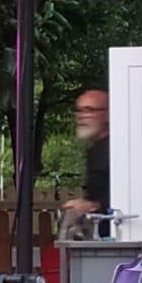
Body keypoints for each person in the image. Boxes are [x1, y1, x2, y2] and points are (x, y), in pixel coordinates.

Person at [61, 89, 110, 237]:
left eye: (89, 110)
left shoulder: (116, 151)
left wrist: (91, 206)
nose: (82, 116)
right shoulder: (94, 150)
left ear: (107, 114)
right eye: (79, 110)